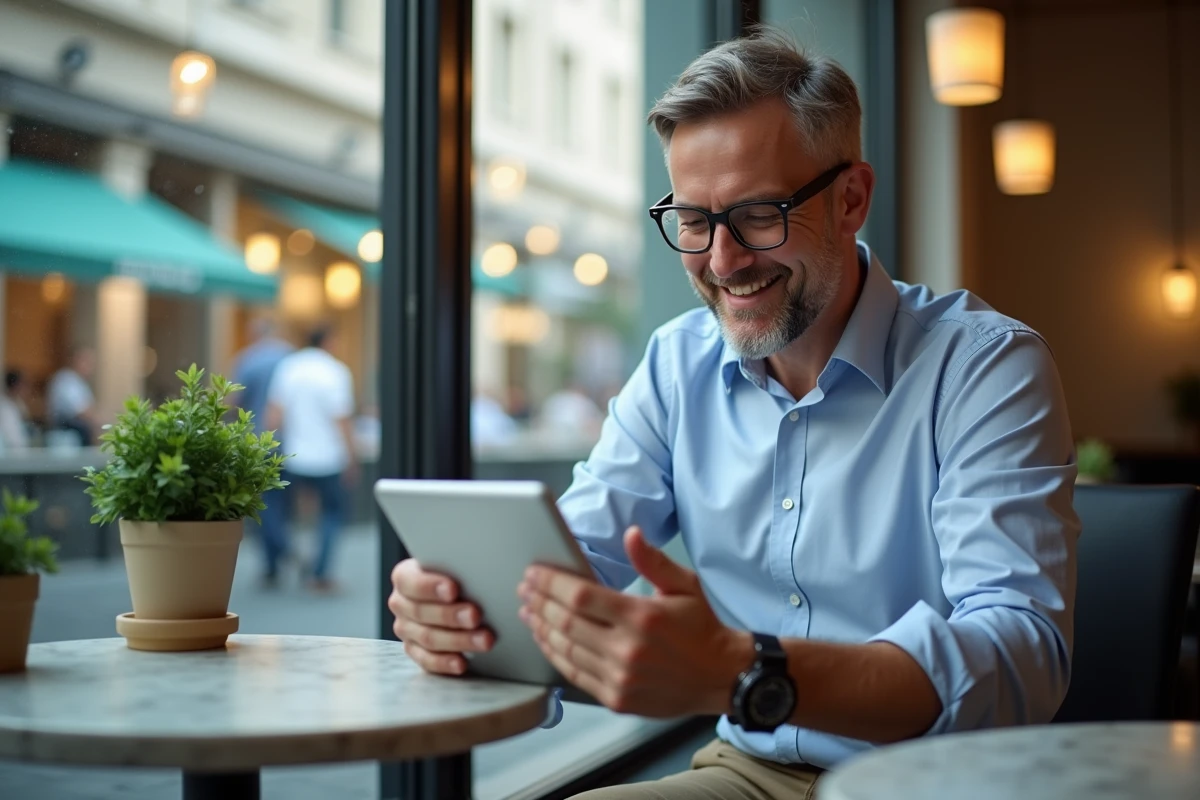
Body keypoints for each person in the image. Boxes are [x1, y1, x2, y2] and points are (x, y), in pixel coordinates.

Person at [388, 28, 1079, 799]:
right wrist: (464, 610)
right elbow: (566, 563)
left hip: (941, 783)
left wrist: (747, 669)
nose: (721, 262)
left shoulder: (984, 366)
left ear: (851, 199)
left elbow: (1020, 656)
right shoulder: (677, 364)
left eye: (756, 215)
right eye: (692, 221)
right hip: (749, 775)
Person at [263, 326, 357, 592]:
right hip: (328, 458)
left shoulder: (289, 367)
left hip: (293, 455)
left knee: (276, 508)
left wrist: (269, 447)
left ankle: (283, 554)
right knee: (332, 514)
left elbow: (275, 413)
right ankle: (320, 574)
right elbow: (342, 419)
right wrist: (352, 456)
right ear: (328, 341)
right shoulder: (335, 371)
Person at [230, 317, 294, 433]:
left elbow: (235, 399)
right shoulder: (289, 354)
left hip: (255, 431)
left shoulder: (247, 358)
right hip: (286, 431)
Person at [46, 346, 97, 446]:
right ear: (76, 360)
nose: (90, 367)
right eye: (86, 361)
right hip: (67, 436)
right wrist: (97, 421)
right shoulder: (65, 379)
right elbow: (80, 411)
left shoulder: (80, 382)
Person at [0, 369, 32, 450]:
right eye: (23, 385)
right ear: (16, 386)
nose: (26, 389)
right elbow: (13, 439)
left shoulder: (19, 405)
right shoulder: (4, 408)